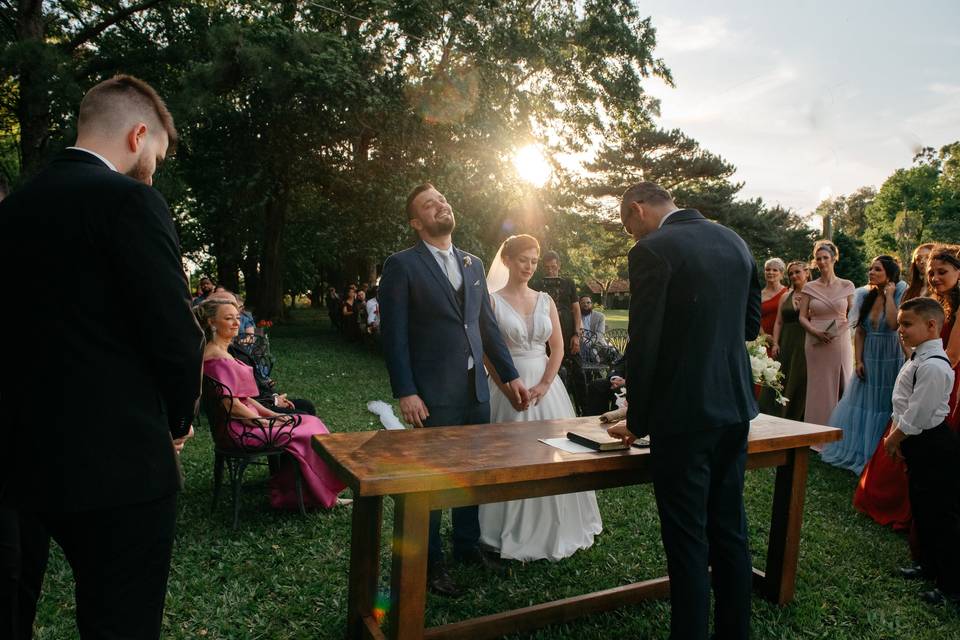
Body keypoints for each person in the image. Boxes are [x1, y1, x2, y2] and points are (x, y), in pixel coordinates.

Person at [0, 74, 203, 639]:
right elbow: (175, 334)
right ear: (139, 135)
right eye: (156, 157)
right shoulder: (130, 201)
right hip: (120, 468)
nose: (153, 171)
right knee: (120, 623)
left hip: (21, 464)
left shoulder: (12, 211)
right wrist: (179, 420)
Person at [607, 182, 761, 640]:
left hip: (684, 416)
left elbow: (645, 342)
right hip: (735, 408)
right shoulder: (735, 240)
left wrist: (637, 420)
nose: (632, 237)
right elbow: (750, 326)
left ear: (637, 210)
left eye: (628, 227)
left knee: (687, 537)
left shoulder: (653, 249)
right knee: (729, 528)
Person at [379, 183, 527, 598]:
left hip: (475, 391)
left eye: (443, 199)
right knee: (433, 481)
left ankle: (467, 547)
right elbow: (394, 335)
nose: (441, 205)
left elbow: (486, 327)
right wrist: (406, 390)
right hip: (431, 393)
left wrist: (510, 375)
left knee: (471, 476)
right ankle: (431, 563)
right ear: (416, 222)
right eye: (430, 204)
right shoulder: (402, 266)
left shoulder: (473, 263)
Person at [478, 235, 602, 561]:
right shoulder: (490, 301)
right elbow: (488, 354)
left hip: (547, 388)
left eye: (534, 261)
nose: (530, 267)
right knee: (511, 456)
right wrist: (508, 388)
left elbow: (557, 347)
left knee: (553, 452)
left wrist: (546, 384)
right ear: (507, 260)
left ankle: (557, 524)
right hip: (508, 386)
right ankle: (502, 527)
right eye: (524, 260)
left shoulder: (545, 299)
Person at [197, 299, 349, 509]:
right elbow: (231, 405)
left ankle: (309, 493)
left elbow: (245, 398)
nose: (235, 323)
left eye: (237, 318)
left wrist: (272, 415)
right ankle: (302, 495)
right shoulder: (215, 357)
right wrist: (263, 422)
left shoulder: (223, 352)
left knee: (310, 422)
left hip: (247, 421)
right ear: (212, 322)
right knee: (308, 432)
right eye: (228, 318)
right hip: (240, 430)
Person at [882, 297, 960, 605]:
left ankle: (951, 585)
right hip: (917, 442)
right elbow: (902, 403)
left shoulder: (934, 367)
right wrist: (898, 433)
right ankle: (927, 565)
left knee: (942, 515)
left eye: (906, 324)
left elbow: (918, 413)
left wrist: (894, 439)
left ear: (931, 326)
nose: (900, 330)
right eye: (900, 323)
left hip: (934, 444)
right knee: (923, 509)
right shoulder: (917, 358)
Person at [820, 256, 906, 473]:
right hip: (869, 356)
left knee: (885, 403)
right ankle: (859, 451)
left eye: (877, 269)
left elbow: (894, 324)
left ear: (889, 273)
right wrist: (858, 360)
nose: (871, 272)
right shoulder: (864, 295)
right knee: (864, 403)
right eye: (870, 268)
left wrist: (888, 295)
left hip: (890, 356)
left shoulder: (899, 292)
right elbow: (860, 331)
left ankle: (879, 455)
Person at [798, 240, 856, 427]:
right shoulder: (810, 287)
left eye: (825, 258)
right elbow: (802, 317)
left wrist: (840, 330)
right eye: (818, 259)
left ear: (834, 259)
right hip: (814, 339)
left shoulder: (847, 285)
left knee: (842, 381)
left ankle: (841, 428)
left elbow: (853, 314)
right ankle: (816, 429)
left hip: (839, 337)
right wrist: (815, 331)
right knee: (818, 385)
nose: (822, 262)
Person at [760, 261, 809, 419]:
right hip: (786, 342)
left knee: (799, 379)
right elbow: (779, 322)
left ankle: (796, 416)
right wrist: (775, 343)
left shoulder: (814, 294)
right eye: (791, 273)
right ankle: (773, 415)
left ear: (806, 273)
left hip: (804, 341)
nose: (794, 276)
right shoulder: (786, 296)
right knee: (780, 378)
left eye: (797, 272)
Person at [928, 245, 960, 431]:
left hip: (949, 376)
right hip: (939, 369)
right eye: (931, 273)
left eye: (942, 272)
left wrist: (922, 375)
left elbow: (954, 356)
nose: (935, 278)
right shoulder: (941, 303)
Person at [759, 258, 788, 341]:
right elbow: (755, 319)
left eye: (775, 270)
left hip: (785, 337)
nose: (770, 272)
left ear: (782, 274)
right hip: (764, 341)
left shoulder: (788, 293)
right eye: (767, 269)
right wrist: (764, 336)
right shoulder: (758, 295)